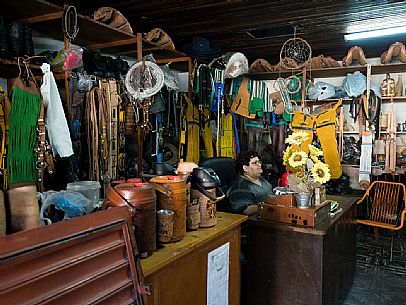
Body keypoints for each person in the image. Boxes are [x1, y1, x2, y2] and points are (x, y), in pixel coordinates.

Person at [227, 151, 275, 215]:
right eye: (255, 163)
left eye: (259, 162)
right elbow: (245, 210)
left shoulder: (259, 178)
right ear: (245, 168)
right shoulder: (240, 188)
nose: (259, 165)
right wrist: (267, 207)